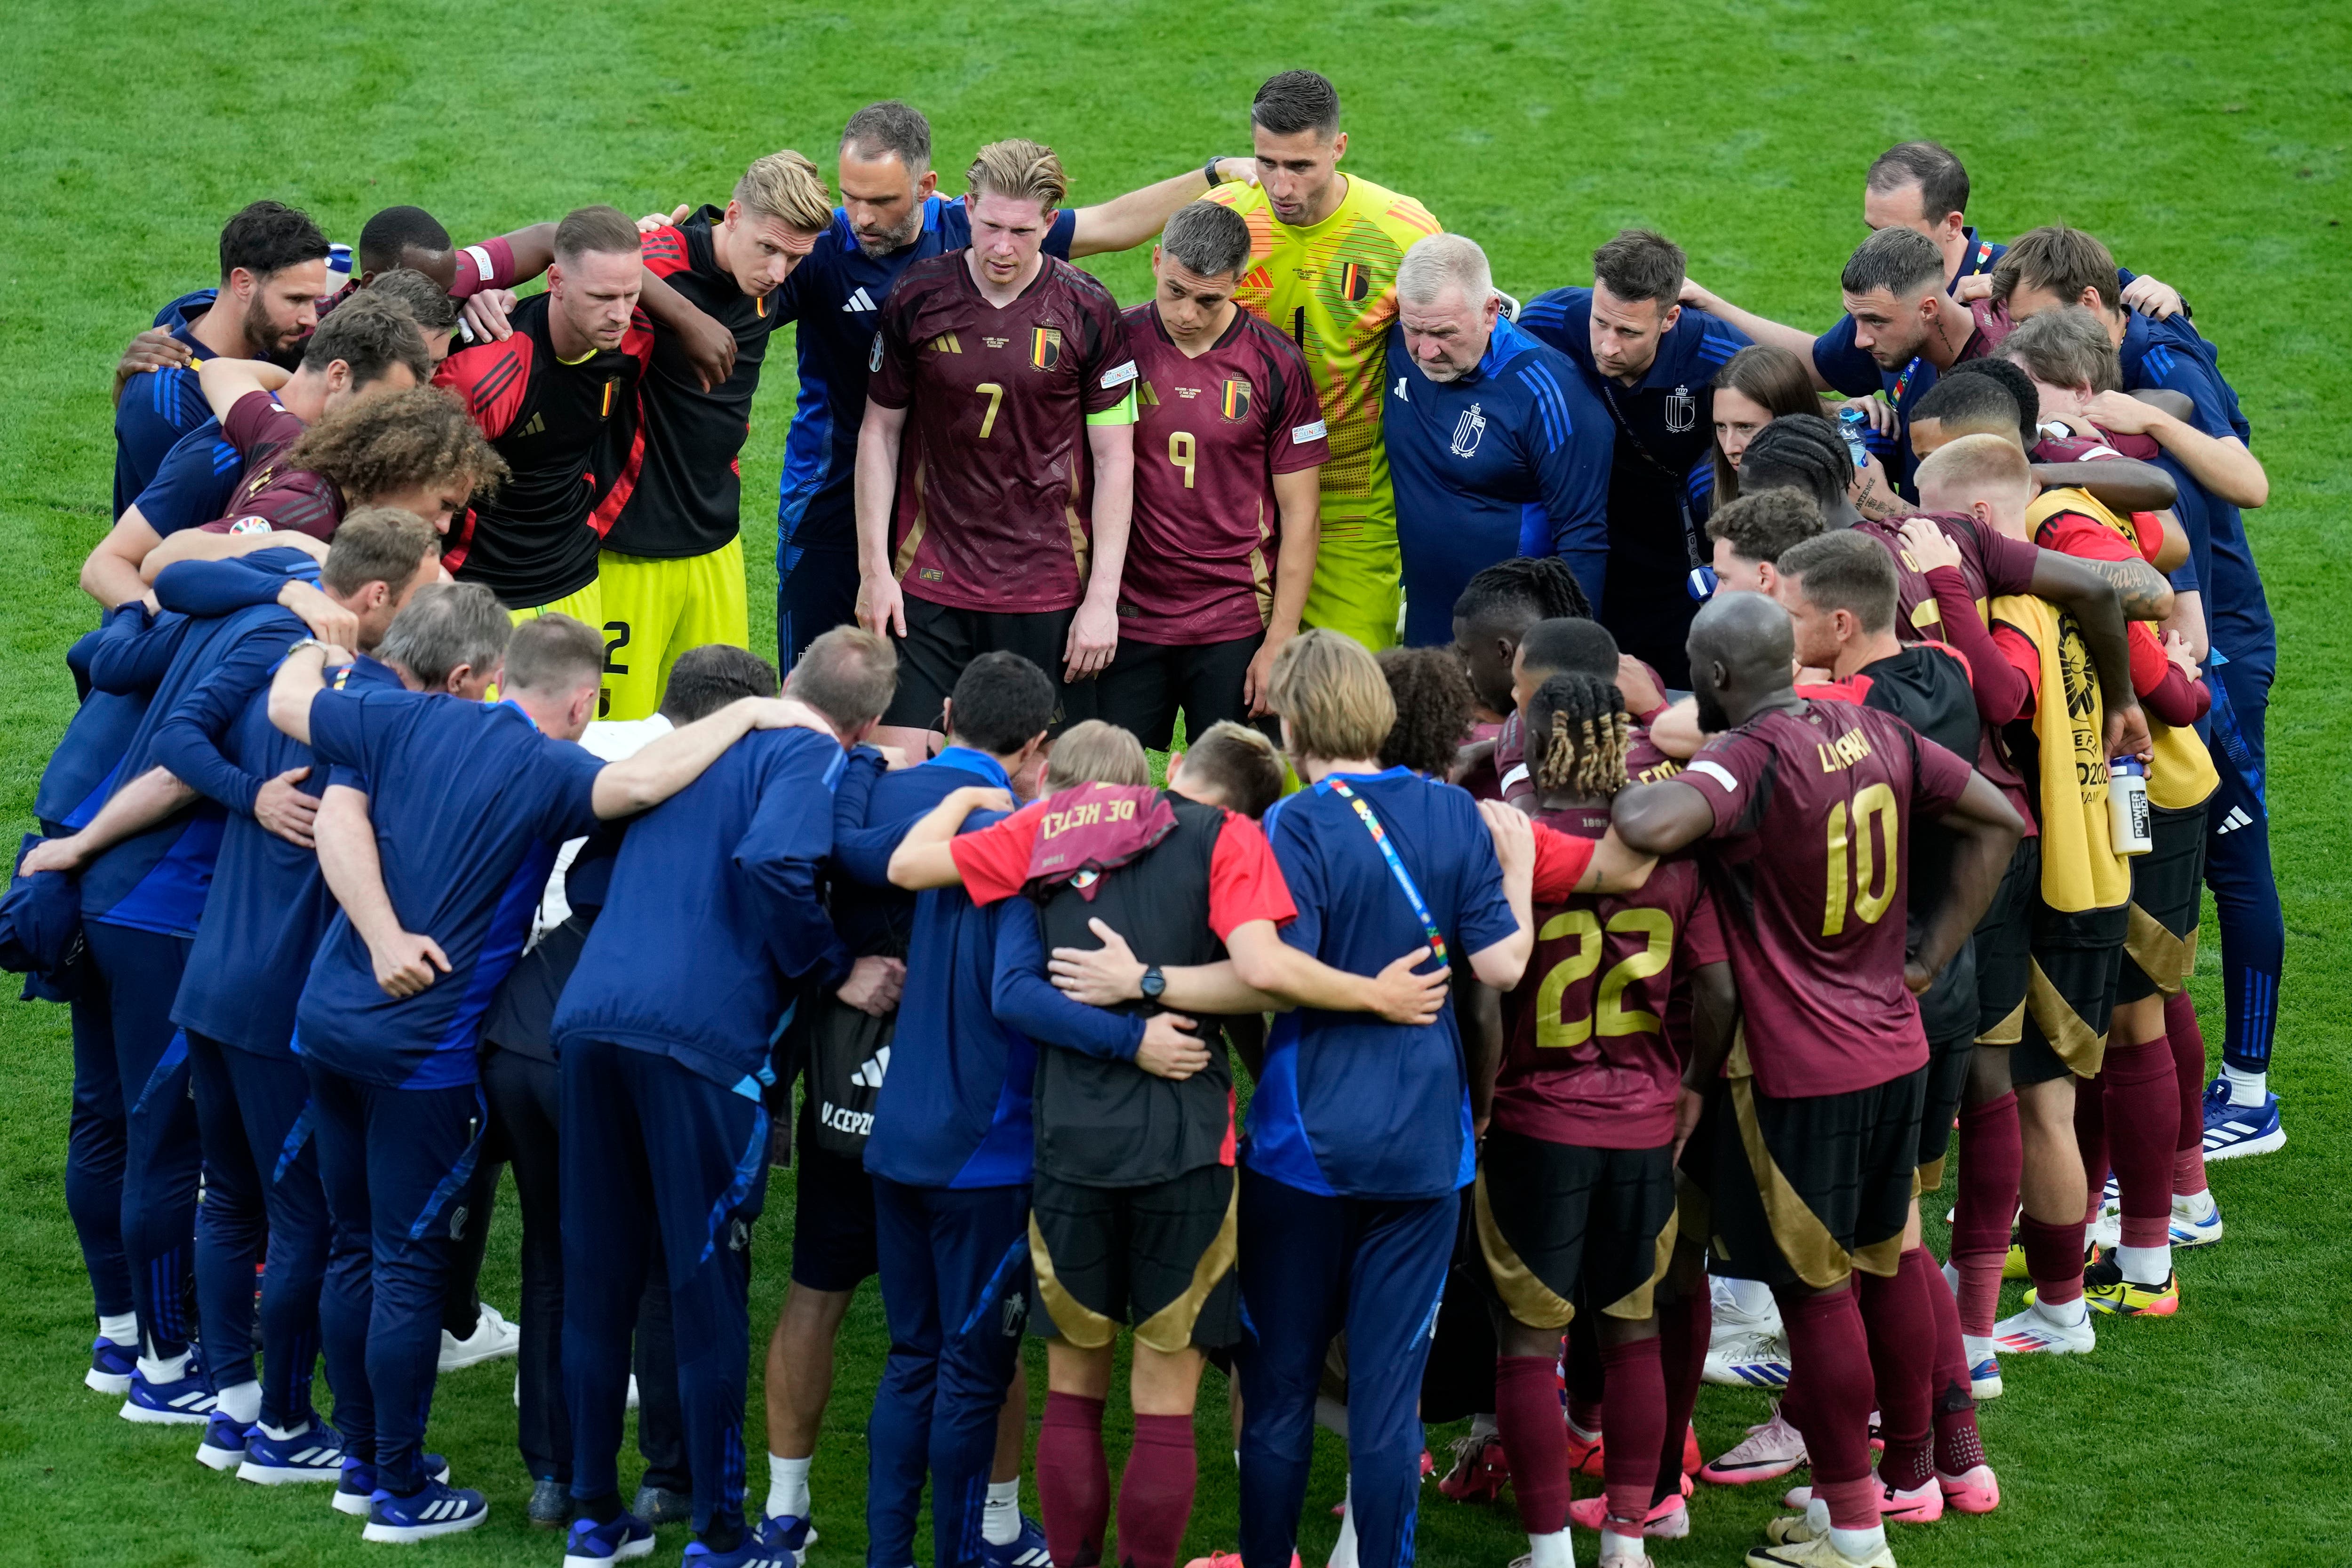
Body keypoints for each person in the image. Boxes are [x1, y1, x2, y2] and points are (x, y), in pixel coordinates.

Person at [261, 613, 828, 1541]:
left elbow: (292, 705)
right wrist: (760, 713)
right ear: (582, 700)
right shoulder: (548, 768)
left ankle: (367, 1459)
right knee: (411, 1262)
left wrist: (320, 641)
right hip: (426, 1051)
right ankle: (399, 1490)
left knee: (355, 1245)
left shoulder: (408, 714)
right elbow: (640, 781)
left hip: (327, 1026)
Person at [890, 718, 1459, 1568]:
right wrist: (1165, 998)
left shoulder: (1051, 830)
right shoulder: (1229, 837)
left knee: (1074, 1397)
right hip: (1188, 1149)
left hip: (1072, 1146)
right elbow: (1260, 972)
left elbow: (928, 892)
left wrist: (971, 797)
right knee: (1162, 1402)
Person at [1611, 591, 2021, 1568]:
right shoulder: (1868, 723)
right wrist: (1925, 954)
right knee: (1886, 1262)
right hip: (1894, 1043)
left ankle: (1854, 1531)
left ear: (1712, 679)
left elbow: (1648, 818)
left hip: (1801, 1070)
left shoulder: (1746, 758)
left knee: (1814, 1293)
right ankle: (1907, 1474)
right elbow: (2000, 817)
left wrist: (1648, 761)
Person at [550, 630, 893, 1568]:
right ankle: (720, 1532)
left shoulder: (692, 745)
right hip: (700, 1050)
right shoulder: (809, 754)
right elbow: (775, 866)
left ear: (790, 682)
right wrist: (836, 969)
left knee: (601, 1279)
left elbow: (590, 879)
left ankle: (592, 1517)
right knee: (705, 1293)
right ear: (862, 724)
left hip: (589, 1026)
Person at [116, 514, 439, 1479]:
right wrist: (254, 795)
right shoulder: (365, 706)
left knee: (233, 1206)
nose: (436, 601)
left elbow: (176, 731)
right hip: (275, 1005)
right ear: (377, 597)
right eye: (426, 583)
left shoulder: (277, 656)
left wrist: (238, 790)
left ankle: (233, 1408)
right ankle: (285, 1431)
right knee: (301, 1218)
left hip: (212, 981)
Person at [1232, 629, 1534, 1568]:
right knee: (1387, 1396)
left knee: (1280, 1386)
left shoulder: (1294, 823)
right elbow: (1503, 963)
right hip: (1422, 1147)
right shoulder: (1455, 813)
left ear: (1294, 718)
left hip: (1305, 1146)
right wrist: (1518, 870)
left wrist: (1363, 989)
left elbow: (1274, 974)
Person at [768, 98, 1263, 669]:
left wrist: (1212, 173)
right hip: (831, 495)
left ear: (928, 187)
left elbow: (1113, 223)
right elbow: (737, 277)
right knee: (817, 691)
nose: (860, 217)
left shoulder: (980, 233)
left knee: (923, 702)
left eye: (881, 201)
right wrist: (669, 242)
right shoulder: (820, 247)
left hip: (942, 515)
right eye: (849, 197)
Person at [1989, 227, 2286, 1172]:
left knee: (2154, 975)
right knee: (2146, 997)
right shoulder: (2093, 457)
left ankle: (2233, 1106)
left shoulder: (2137, 391)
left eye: (2023, 326)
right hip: (2152, 733)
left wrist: (2157, 670)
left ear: (2083, 317)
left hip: (2177, 718)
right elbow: (2163, 548)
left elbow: (2225, 498)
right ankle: (2176, 1184)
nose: (2007, 340)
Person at [476, 643, 776, 1529]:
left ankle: (557, 1474)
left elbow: (584, 878)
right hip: (623, 1043)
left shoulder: (622, 764)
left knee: (554, 1254)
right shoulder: (742, 792)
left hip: (525, 1036)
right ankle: (671, 1475)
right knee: (656, 1256)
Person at [1770, 531, 2002, 1518]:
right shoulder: (1941, 668)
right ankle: (1955, 1453)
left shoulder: (1839, 715)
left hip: (1875, 997)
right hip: (1935, 992)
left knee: (1882, 1248)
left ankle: (1903, 1467)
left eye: (1781, 613)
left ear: (1835, 620)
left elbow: (1780, 721)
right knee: (1901, 1234)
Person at [1480, 669, 1733, 1568]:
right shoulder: (1666, 844)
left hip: (1532, 1118)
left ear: (1530, 740)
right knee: (1631, 1328)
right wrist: (1693, 1080)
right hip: (1639, 1118)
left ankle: (1548, 1550)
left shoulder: (1508, 838)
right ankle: (1626, 1539)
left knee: (1525, 1335)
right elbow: (1714, 986)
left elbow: (1483, 991)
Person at [840, 652, 1060, 1568]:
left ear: (945, 711)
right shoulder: (1027, 851)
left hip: (901, 1139)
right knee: (972, 1374)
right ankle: (961, 1554)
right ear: (1037, 748)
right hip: (985, 1156)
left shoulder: (944, 842)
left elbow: (875, 857)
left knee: (912, 1357)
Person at [854, 139, 1139, 756]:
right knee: (899, 772)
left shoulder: (1088, 309)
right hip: (927, 581)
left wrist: (1102, 599)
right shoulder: (919, 296)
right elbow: (879, 432)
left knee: (1037, 788)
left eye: (1020, 231)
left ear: (1049, 221)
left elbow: (1116, 460)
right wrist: (874, 572)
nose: (1002, 247)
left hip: (1046, 586)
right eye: (988, 227)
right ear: (966, 208)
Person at [1204, 69, 1443, 652]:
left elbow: (1450, 355)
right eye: (1267, 163)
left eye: (1300, 167)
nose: (1281, 186)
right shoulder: (1225, 219)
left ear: (1338, 149)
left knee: (1350, 695)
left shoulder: (1404, 234)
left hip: (1349, 497)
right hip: (1237, 493)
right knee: (1242, 700)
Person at [591, 152, 834, 721]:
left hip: (717, 546)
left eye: (795, 257)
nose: (777, 273)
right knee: (612, 737)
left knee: (722, 730)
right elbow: (573, 274)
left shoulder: (770, 281)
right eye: (767, 249)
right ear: (732, 215)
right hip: (630, 546)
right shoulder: (653, 263)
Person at [1096, 199, 1327, 748]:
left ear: (1239, 283)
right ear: (1156, 261)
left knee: (1237, 799)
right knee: (1101, 789)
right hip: (1128, 615)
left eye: (1209, 300)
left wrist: (1279, 643)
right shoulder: (1113, 343)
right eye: (1175, 291)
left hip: (1234, 620)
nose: (1187, 315)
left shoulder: (1276, 363)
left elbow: (1302, 513)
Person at [83, 291, 439, 604]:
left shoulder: (283, 429)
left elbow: (223, 372)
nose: (390, 425)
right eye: (384, 405)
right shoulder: (220, 458)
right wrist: (171, 637)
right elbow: (106, 565)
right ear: (338, 376)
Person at [1519, 229, 1752, 685]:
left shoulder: (1721, 354)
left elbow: (1781, 402)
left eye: (1628, 332)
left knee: (1683, 684)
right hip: (1586, 528)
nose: (1607, 346)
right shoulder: (1546, 321)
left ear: (1670, 319)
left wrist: (1847, 408)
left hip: (1678, 546)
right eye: (1600, 322)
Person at [1384, 233, 1612, 645]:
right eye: (1413, 329)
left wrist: (1568, 656)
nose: (1427, 351)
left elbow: (1583, 538)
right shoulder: (1397, 347)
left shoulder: (1549, 394)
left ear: (1491, 312)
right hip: (1426, 622)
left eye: (1444, 333)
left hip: (1510, 641)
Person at [434, 207, 656, 628]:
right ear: (556, 281)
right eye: (603, 297)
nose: (620, 314)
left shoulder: (635, 341)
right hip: (484, 596)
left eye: (632, 294)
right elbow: (419, 492)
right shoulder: (483, 376)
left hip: (579, 583)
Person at [141, 382, 503, 577]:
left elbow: (223, 373)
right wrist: (289, 542)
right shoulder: (304, 515)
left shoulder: (291, 435)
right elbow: (163, 560)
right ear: (402, 473)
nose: (443, 526)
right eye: (445, 506)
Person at [113, 201, 331, 515]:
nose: (312, 318)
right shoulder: (164, 403)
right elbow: (195, 528)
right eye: (296, 299)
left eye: (316, 300)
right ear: (242, 283)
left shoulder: (209, 310)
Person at [1449, 557, 1595, 801]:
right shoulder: (1624, 677)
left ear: (1505, 653)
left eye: (1467, 654)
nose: (1467, 672)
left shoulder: (1494, 733)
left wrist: (1502, 747)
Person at [1708, 344, 1819, 506]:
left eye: (1745, 427)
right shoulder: (1704, 488)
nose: (1729, 448)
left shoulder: (1857, 474)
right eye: (1721, 427)